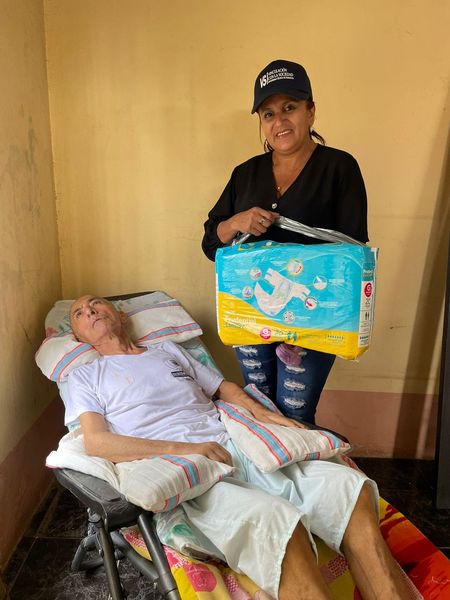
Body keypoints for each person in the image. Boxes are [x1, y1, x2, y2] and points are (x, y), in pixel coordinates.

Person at [65, 294, 415, 600]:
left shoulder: (166, 351)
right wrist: (186, 449)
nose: (90, 311)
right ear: (79, 337)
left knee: (349, 491)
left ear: (121, 315)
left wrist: (267, 415)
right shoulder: (86, 376)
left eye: (96, 304)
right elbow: (97, 442)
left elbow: (223, 388)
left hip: (240, 447)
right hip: (192, 474)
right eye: (79, 313)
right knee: (276, 523)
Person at [202, 59, 368, 425]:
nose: (280, 121)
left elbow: (352, 253)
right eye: (269, 114)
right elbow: (212, 245)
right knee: (259, 408)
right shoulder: (245, 174)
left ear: (310, 111)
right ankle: (270, 465)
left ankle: (302, 463)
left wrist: (311, 320)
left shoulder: (339, 168)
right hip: (251, 311)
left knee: (296, 411)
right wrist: (236, 222)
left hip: (312, 315)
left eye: (289, 108)